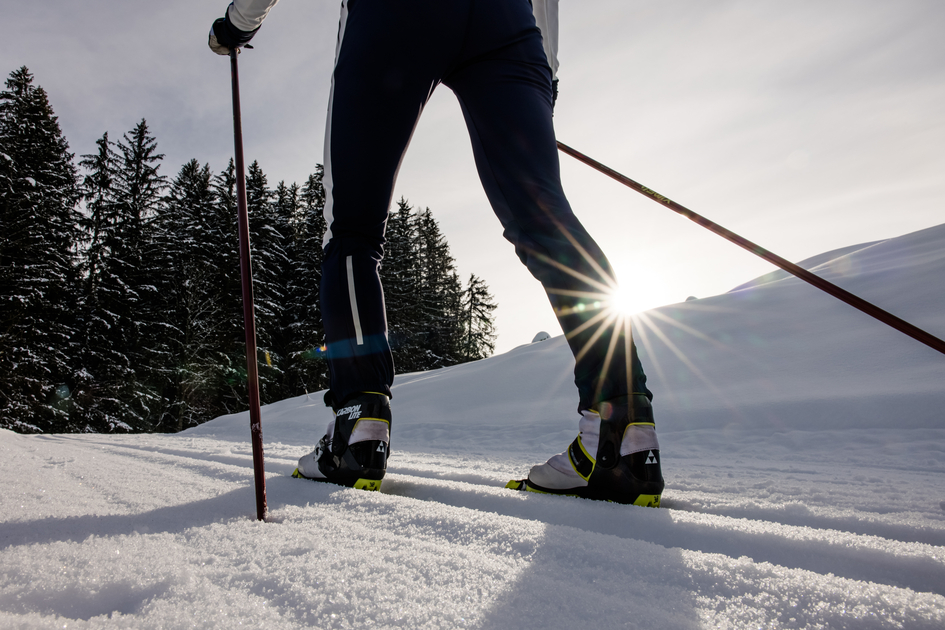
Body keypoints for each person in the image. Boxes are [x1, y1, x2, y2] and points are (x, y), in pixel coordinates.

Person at [209, 0, 664, 506]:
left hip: (396, 16)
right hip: (507, 23)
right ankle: (622, 433)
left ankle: (359, 426)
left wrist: (239, 22)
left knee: (353, 231)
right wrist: (545, 74)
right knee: (544, 218)